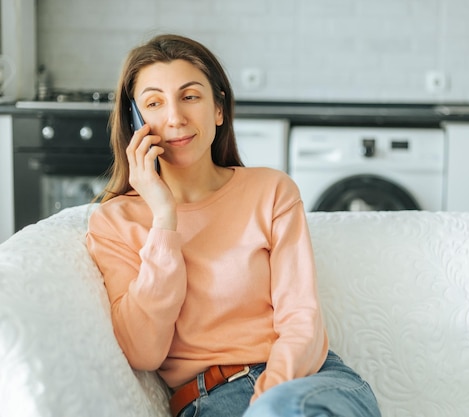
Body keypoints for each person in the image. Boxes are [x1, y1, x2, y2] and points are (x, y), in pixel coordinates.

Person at [86, 33, 382, 417]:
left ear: (219, 109)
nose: (175, 117)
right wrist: (164, 219)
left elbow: (301, 318)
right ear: (136, 122)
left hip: (311, 384)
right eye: (154, 103)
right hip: (211, 398)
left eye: (190, 96)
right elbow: (144, 350)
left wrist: (269, 399)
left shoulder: (271, 191)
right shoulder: (115, 221)